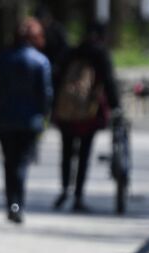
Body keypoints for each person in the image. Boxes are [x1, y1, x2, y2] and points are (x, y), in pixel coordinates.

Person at [0, 17, 53, 223]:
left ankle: (10, 202)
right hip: (29, 122)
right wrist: (44, 116)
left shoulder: (4, 59)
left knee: (9, 162)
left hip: (4, 121)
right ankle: (18, 204)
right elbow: (46, 94)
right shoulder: (41, 61)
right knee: (22, 163)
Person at [51, 21, 120, 212]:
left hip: (67, 111)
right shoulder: (100, 55)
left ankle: (64, 189)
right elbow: (109, 82)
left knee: (66, 152)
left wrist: (53, 106)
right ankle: (79, 195)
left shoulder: (71, 53)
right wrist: (116, 106)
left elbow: (56, 79)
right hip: (89, 112)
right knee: (83, 154)